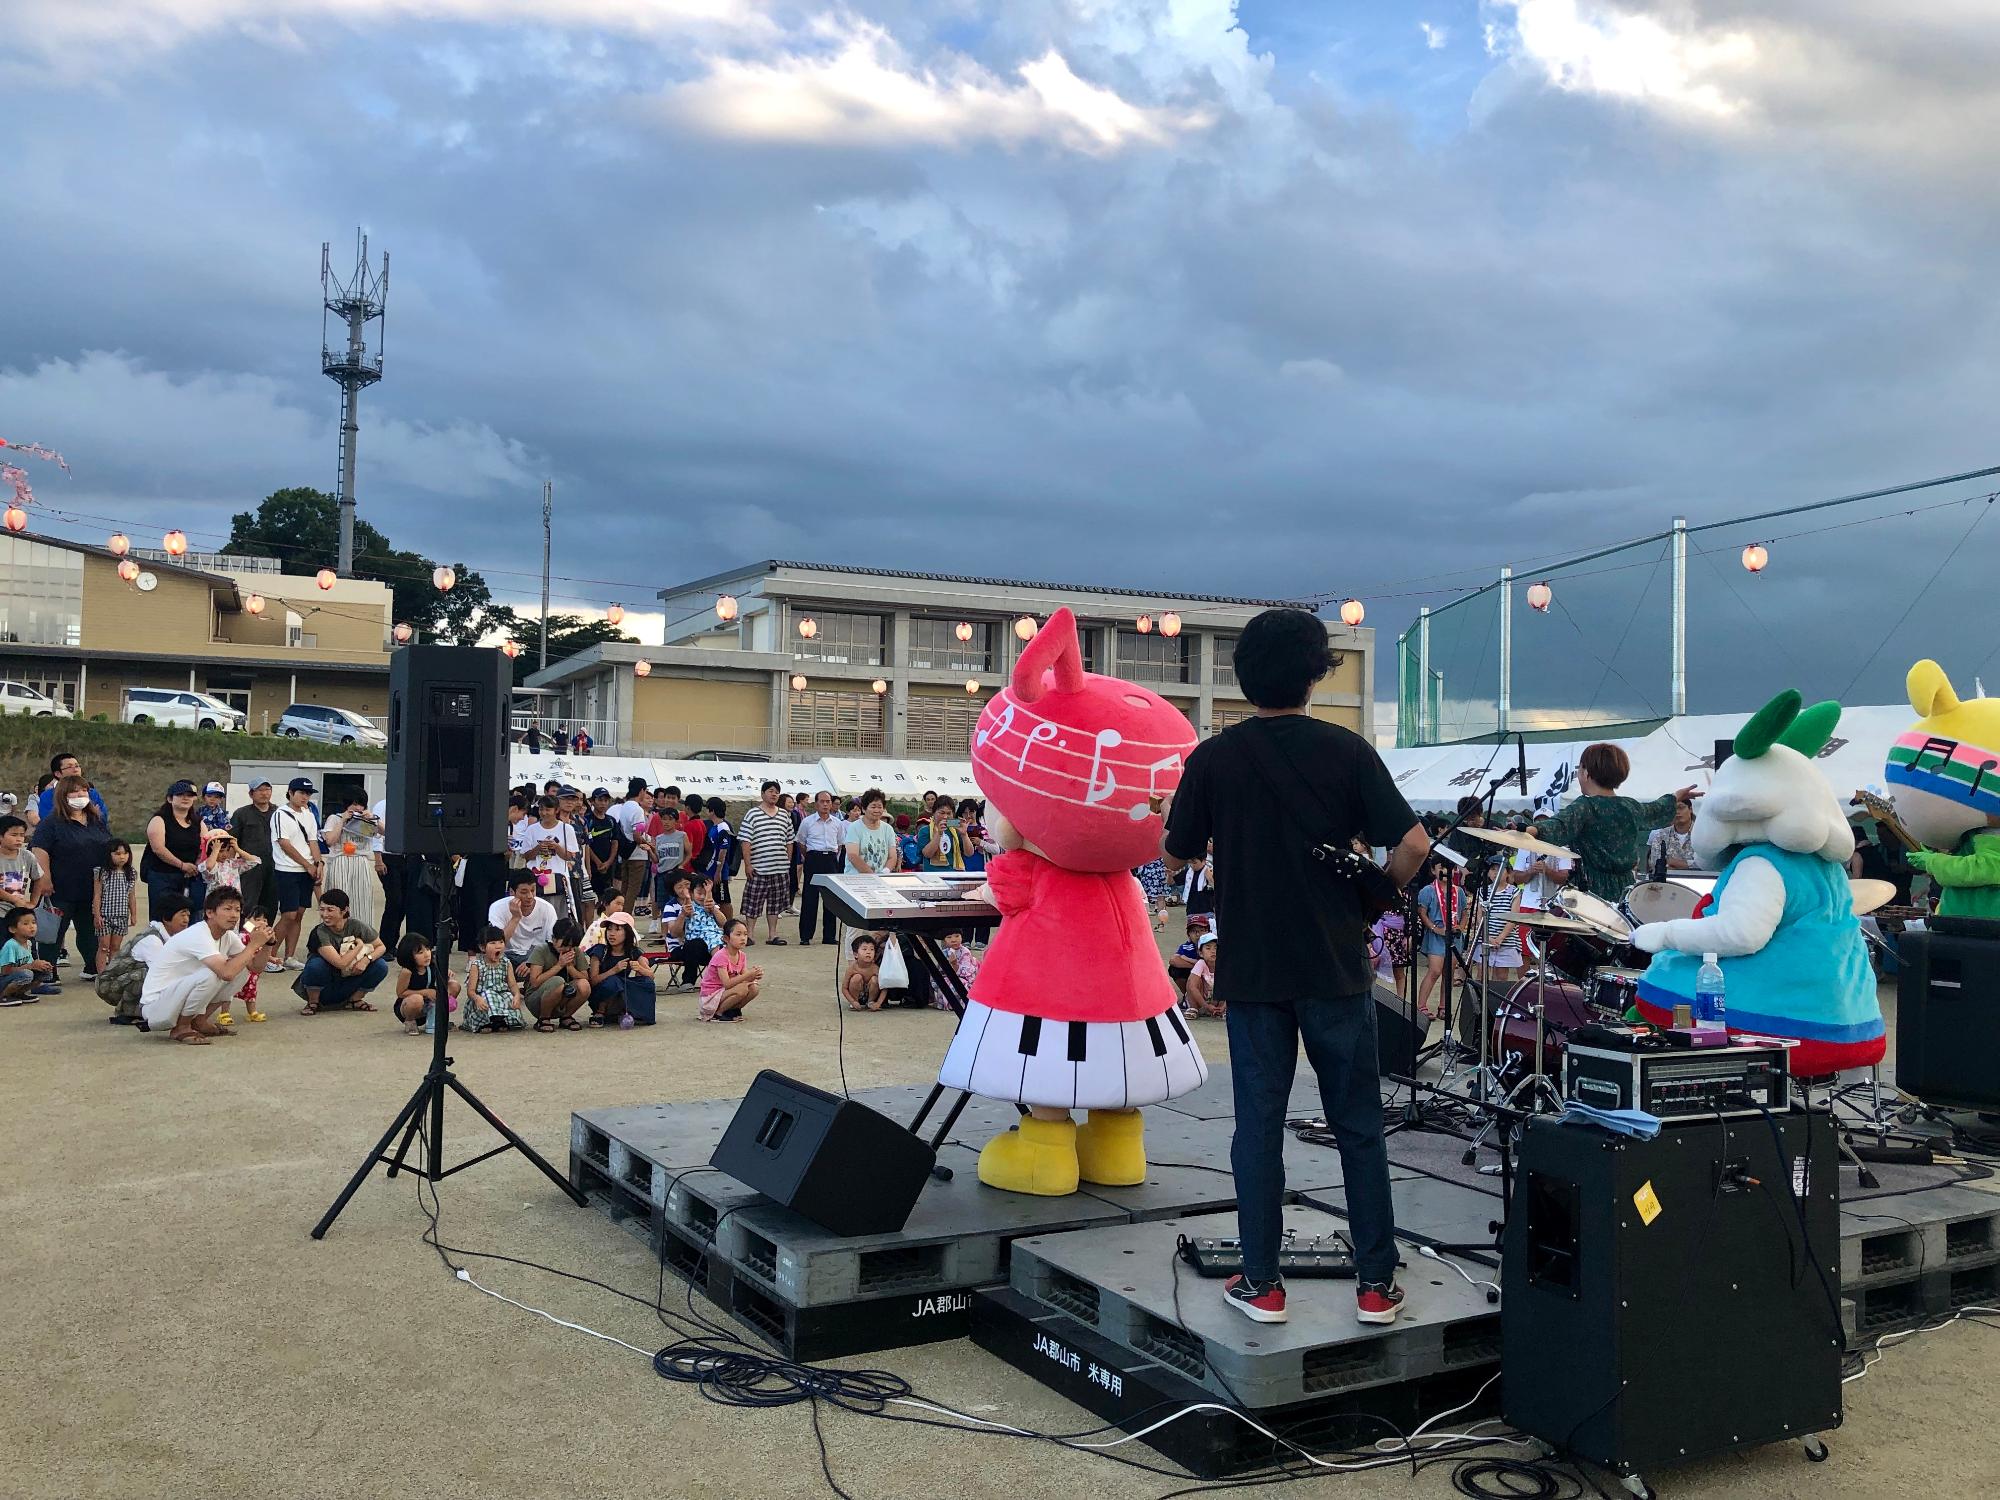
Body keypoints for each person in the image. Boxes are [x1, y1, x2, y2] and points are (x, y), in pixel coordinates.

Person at [1164, 605, 1429, 1328]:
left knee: (1257, 1126)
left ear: (1242, 676)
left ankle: (1262, 1283)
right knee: (1357, 1125)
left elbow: (1173, 852)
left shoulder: (1213, 758)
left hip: (1254, 970)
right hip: (1336, 965)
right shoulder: (1346, 752)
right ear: (1316, 675)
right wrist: (1373, 894)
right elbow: (1412, 843)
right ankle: (1376, 1285)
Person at [1528, 743, 1698, 899]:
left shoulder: (1585, 806)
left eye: (1579, 770)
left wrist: (1529, 830)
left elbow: (1558, 826)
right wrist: (1675, 797)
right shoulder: (1629, 806)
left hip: (1592, 892)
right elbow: (1655, 809)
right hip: (1626, 890)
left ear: (1586, 773)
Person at [139, 887, 277, 1043]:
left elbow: (255, 968)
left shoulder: (228, 936)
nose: (234, 915)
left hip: (175, 1000)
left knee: (242, 970)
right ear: (210, 913)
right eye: (227, 909)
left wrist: (267, 943)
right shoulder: (198, 934)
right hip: (157, 1008)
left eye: (237, 910)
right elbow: (226, 973)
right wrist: (253, 945)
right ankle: (181, 1028)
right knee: (214, 973)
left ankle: (199, 1020)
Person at [31, 773, 114, 980]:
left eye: (84, 790)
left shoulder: (97, 821)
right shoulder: (51, 823)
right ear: (63, 796)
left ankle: (93, 967)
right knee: (53, 932)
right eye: (74, 791)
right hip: (61, 887)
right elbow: (40, 851)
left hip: (92, 888)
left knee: (89, 930)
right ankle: (46, 972)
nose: (80, 794)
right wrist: (45, 879)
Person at [97, 895, 192, 1026]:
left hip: (123, 980)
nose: (186, 920)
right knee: (147, 974)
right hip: (108, 985)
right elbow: (161, 974)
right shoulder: (152, 940)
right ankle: (127, 1013)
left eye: (188, 915)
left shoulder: (170, 937)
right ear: (166, 918)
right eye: (182, 915)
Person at [294, 889, 390, 1014]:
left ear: (344, 910)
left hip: (349, 980)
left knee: (380, 965)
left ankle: (355, 1000)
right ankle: (313, 1002)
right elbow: (341, 963)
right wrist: (359, 946)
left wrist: (366, 960)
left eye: (330, 910)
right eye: (322, 909)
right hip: (326, 984)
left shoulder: (357, 926)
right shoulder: (319, 932)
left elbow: (381, 946)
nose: (324, 914)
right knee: (315, 965)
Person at [269, 777, 326, 971]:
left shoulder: (309, 813)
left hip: (307, 871)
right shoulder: (280, 814)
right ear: (291, 793)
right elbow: (284, 844)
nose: (305, 797)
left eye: (308, 793)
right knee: (288, 914)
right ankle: (269, 956)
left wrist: (318, 864)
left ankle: (290, 956)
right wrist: (306, 864)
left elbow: (313, 841)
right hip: (287, 870)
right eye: (301, 792)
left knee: (300, 913)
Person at [737, 781, 794, 945]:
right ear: (762, 794)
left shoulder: (784, 815)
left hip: (780, 868)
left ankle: (772, 935)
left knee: (775, 904)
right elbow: (745, 841)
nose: (774, 794)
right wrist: (747, 864)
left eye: (777, 792)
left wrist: (788, 861)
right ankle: (750, 935)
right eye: (770, 791)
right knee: (752, 903)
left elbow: (790, 840)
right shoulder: (752, 814)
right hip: (758, 868)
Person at [1414, 856, 1470, 1023]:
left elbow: (1465, 912)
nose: (1445, 871)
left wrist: (1460, 926)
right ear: (1433, 870)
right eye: (1441, 867)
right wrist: (1434, 928)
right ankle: (1421, 1006)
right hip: (1436, 935)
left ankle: (1444, 1006)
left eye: (1449, 868)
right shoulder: (1428, 890)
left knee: (1449, 973)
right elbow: (1422, 912)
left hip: (1453, 935)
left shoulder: (1458, 891)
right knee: (1435, 970)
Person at [141, 779, 206, 918]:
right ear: (170, 799)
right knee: (163, 917)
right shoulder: (159, 820)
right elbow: (158, 849)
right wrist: (182, 865)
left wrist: (195, 866)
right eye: (180, 794)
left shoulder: (199, 822)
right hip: (163, 876)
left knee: (188, 917)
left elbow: (204, 847)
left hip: (189, 878)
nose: (185, 798)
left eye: (189, 795)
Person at [322, 794, 386, 930]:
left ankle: (362, 934)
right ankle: (335, 933)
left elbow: (387, 832)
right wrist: (343, 821)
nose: (357, 807)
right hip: (340, 860)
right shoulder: (335, 818)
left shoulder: (365, 820)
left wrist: (374, 819)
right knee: (338, 898)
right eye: (354, 803)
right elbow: (330, 841)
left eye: (361, 804)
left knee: (361, 899)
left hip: (360, 861)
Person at [512, 795, 581, 920]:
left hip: (558, 877)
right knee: (536, 913)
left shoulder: (566, 829)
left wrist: (556, 847)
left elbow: (570, 856)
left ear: (556, 810)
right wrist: (538, 848)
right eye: (541, 809)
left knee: (558, 914)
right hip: (536, 877)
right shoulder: (532, 830)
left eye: (548, 810)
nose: (544, 813)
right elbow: (526, 856)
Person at [520, 917, 592, 1032]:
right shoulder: (541, 950)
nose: (567, 949)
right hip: (537, 998)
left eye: (571, 946)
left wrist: (569, 967)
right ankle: (544, 1018)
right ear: (553, 939)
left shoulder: (576, 951)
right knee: (557, 981)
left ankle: (566, 1017)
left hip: (563, 999)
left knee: (584, 985)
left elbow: (585, 978)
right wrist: (559, 965)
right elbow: (535, 983)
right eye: (564, 945)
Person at [794, 790, 846, 945]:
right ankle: (805, 936)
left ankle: (829, 936)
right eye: (822, 801)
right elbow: (801, 843)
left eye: (828, 801)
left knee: (831, 899)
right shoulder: (808, 822)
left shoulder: (837, 823)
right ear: (816, 803)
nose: (825, 804)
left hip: (830, 859)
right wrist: (810, 856)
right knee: (810, 898)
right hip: (813, 858)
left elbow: (840, 843)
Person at [586, 911, 654, 1027]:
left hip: (622, 993)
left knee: (647, 982)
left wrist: (640, 969)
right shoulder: (600, 951)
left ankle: (632, 1013)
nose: (611, 934)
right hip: (601, 993)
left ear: (627, 933)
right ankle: (600, 1013)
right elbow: (593, 980)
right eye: (609, 929)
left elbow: (651, 975)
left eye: (617, 930)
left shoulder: (632, 952)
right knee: (614, 981)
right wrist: (613, 970)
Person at [230, 778, 278, 931]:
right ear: (251, 794)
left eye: (267, 789)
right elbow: (232, 841)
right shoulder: (241, 814)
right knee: (248, 905)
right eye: (260, 790)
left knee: (270, 905)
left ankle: (264, 939)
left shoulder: (279, 812)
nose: (264, 793)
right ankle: (246, 936)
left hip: (274, 866)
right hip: (250, 868)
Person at [462, 926, 528, 1033]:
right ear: (483, 948)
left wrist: (516, 995)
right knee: (489, 995)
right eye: (492, 943)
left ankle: (500, 1020)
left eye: (501, 942)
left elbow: (512, 985)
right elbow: (470, 991)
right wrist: (477, 999)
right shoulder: (477, 965)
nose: (498, 946)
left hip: (501, 997)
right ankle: (487, 1021)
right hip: (482, 1001)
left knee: (508, 996)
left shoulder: (506, 963)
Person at [698, 917, 761, 1022]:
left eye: (745, 934)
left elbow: (745, 977)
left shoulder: (742, 955)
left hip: (724, 993)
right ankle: (718, 1014)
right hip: (710, 997)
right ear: (726, 939)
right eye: (738, 934)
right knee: (742, 989)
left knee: (754, 988)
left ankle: (732, 1010)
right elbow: (727, 983)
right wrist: (748, 975)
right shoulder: (721, 956)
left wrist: (754, 976)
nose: (743, 938)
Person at [489, 870, 559, 965]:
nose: (529, 896)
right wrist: (515, 918)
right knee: (491, 954)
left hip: (536, 955)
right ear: (512, 892)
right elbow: (497, 942)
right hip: (507, 954)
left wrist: (532, 962)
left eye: (533, 890)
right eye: (524, 892)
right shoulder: (497, 907)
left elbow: (552, 943)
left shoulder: (547, 908)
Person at [393, 932, 456, 1034]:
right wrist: (425, 992)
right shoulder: (407, 971)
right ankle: (410, 1021)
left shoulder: (432, 965)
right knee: (416, 999)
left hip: (430, 1000)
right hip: (410, 1005)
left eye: (428, 949)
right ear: (409, 955)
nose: (427, 954)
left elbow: (442, 979)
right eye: (420, 952)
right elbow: (401, 993)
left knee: (454, 986)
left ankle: (439, 1018)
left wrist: (446, 974)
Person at [93, 839, 138, 977]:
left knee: (115, 947)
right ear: (109, 854)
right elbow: (97, 895)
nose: (122, 857)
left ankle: (111, 974)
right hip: (105, 916)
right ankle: (101, 975)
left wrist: (134, 914)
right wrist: (97, 915)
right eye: (117, 853)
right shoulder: (101, 872)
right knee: (104, 946)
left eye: (125, 853)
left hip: (121, 915)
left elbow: (132, 896)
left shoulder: (131, 873)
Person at [580, 788, 622, 923]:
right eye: (600, 800)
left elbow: (615, 842)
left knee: (606, 900)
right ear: (592, 801)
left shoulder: (611, 821)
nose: (603, 803)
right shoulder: (587, 820)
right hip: (591, 867)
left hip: (608, 867)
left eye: (605, 800)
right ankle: (589, 929)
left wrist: (609, 862)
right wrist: (597, 862)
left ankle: (605, 926)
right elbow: (587, 845)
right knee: (589, 900)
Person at [613, 781, 655, 915]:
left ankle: (619, 915)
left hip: (625, 852)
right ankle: (625, 918)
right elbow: (637, 835)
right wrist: (649, 845)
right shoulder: (637, 809)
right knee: (633, 889)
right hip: (637, 854)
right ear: (642, 790)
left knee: (625, 887)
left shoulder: (625, 806)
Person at [0, 906, 58, 1002]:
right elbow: (5, 971)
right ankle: (3, 996)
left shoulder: (28, 943)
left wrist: (39, 965)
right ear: (12, 929)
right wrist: (31, 965)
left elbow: (30, 965)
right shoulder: (11, 945)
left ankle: (18, 993)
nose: (32, 926)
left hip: (16, 975)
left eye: (34, 922)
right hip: (3, 979)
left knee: (45, 972)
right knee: (26, 974)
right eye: (25, 924)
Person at [36, 753, 106, 822]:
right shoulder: (48, 796)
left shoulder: (92, 793)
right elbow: (48, 822)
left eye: (77, 766)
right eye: (70, 767)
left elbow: (102, 818)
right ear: (58, 774)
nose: (76, 770)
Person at [844, 789, 899, 876]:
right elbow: (852, 855)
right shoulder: (854, 827)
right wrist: (872, 876)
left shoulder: (888, 829)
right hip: (856, 880)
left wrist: (884, 872)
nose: (877, 810)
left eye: (880, 807)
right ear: (864, 809)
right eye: (873, 807)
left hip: (880, 880)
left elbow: (892, 856)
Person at [699, 800, 739, 917]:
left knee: (724, 899)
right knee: (714, 898)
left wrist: (718, 871)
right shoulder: (714, 827)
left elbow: (723, 850)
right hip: (710, 869)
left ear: (712, 811)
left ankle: (729, 923)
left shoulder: (723, 828)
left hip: (720, 871)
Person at [1646, 798, 1699, 878]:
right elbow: (1655, 863)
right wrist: (1689, 865)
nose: (1677, 812)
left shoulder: (1702, 834)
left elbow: (1707, 864)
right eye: (1674, 809)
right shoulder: (1661, 835)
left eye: (1681, 808)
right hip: (1669, 883)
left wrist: (1674, 862)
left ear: (1690, 809)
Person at [1184, 931, 1223, 1019]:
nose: (1213, 951)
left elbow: (1230, 987)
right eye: (1208, 948)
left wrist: (1224, 1006)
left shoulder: (1223, 965)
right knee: (1192, 981)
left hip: (1214, 1001)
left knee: (1227, 982)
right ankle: (1193, 1008)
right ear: (1201, 953)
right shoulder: (1201, 963)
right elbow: (1192, 987)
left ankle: (1220, 1010)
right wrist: (1206, 1006)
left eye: (1216, 948)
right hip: (1200, 1001)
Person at [842, 933, 883, 1011]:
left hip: (870, 994)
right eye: (864, 949)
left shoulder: (876, 968)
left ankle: (870, 1002)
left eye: (872, 949)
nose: (868, 952)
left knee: (875, 979)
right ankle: (856, 1001)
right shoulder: (852, 968)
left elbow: (884, 987)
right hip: (856, 996)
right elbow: (844, 988)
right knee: (857, 977)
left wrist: (878, 1003)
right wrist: (852, 1001)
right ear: (856, 954)